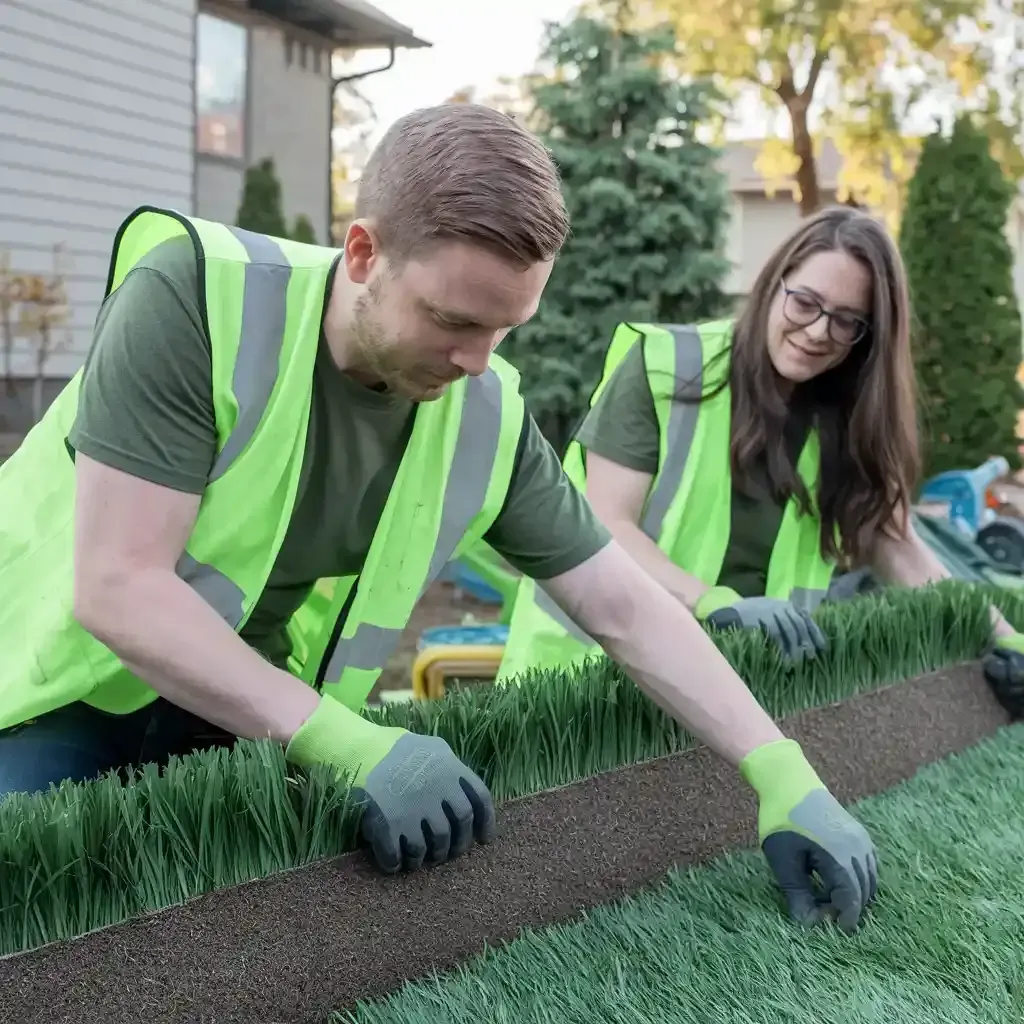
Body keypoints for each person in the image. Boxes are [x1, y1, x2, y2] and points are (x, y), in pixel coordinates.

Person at [0, 105, 876, 933]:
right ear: (362, 253)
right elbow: (118, 586)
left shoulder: (483, 409)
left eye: (507, 328)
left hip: (235, 707)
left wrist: (779, 769)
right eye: (454, 321)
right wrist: (348, 744)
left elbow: (621, 602)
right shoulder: (199, 297)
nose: (476, 361)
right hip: (52, 689)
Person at [496, 204, 1023, 698]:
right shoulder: (665, 366)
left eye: (846, 321)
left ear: (868, 338)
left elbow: (902, 552)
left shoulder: (843, 422)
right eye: (806, 303)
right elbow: (603, 526)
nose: (818, 332)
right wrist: (713, 604)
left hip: (735, 698)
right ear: (774, 284)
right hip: (580, 688)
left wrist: (1006, 640)